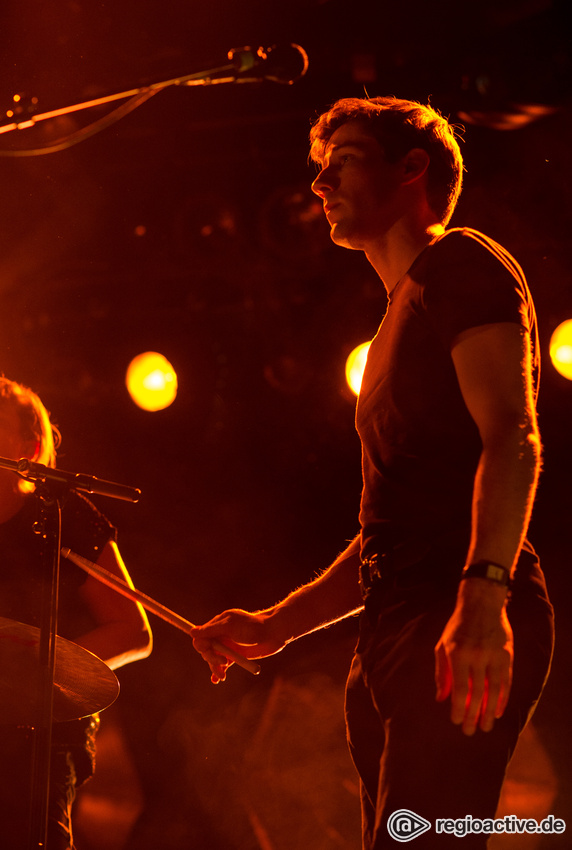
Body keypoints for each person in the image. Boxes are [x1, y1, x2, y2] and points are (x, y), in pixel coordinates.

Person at [191, 97, 554, 847]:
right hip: (396, 620)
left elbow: (513, 433)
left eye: (344, 161)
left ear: (413, 167)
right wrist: (277, 625)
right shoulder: (396, 317)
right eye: (318, 169)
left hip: (455, 608)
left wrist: (485, 597)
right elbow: (389, 526)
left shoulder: (461, 262)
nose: (320, 184)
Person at [0, 376, 152, 849]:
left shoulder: (59, 517)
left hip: (38, 738)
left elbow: (131, 630)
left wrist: (35, 666)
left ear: (27, 444)